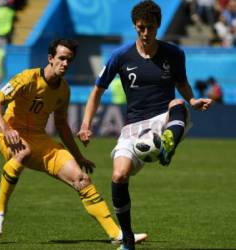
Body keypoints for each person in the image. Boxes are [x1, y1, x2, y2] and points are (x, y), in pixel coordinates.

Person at [77, 1, 213, 250]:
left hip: (164, 119)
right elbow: (97, 91)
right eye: (141, 27)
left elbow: (182, 83)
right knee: (118, 175)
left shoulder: (174, 54)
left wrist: (193, 100)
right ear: (134, 26)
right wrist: (86, 124)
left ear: (158, 26)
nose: (145, 33)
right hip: (133, 128)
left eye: (150, 27)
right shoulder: (120, 56)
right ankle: (127, 240)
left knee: (178, 102)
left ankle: (167, 145)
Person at [0, 38, 147, 245]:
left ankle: (117, 234)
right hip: (12, 135)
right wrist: (6, 130)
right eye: (61, 59)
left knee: (81, 179)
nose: (65, 64)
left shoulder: (63, 90)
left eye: (69, 60)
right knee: (23, 152)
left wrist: (79, 157)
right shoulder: (26, 78)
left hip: (40, 140)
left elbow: (61, 126)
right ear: (50, 58)